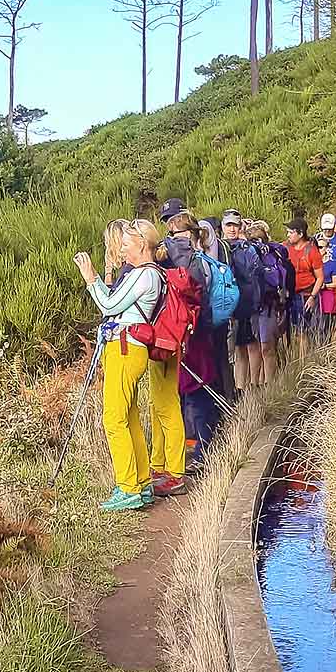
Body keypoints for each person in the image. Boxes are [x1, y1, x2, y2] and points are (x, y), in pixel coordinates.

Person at [74, 219, 166, 511]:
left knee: (114, 420)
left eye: (126, 244)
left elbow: (108, 307)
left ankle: (128, 488)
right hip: (129, 349)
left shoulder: (144, 275)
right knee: (130, 417)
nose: (122, 250)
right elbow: (114, 302)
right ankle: (142, 483)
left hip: (125, 350)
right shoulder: (148, 274)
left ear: (141, 244)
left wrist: (91, 278)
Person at [166, 213, 222, 474]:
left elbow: (194, 297)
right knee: (189, 395)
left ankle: (203, 451)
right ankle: (197, 447)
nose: (173, 241)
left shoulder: (195, 264)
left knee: (197, 395)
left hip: (196, 337)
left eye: (176, 236)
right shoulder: (192, 261)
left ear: (188, 235)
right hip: (191, 337)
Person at [221, 210, 260, 393]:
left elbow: (256, 276)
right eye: (228, 225)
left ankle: (254, 385)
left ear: (240, 227)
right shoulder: (219, 249)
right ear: (222, 227)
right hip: (230, 308)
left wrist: (255, 304)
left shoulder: (248, 249)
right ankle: (240, 388)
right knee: (236, 351)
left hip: (247, 305)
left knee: (250, 346)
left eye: (234, 225)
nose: (231, 229)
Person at [245, 219, 286, 385]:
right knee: (256, 347)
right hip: (253, 306)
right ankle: (256, 383)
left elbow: (276, 280)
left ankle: (269, 384)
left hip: (267, 305)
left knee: (266, 346)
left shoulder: (271, 256)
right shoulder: (246, 255)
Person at [284, 218, 324, 352]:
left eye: (291, 232)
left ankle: (304, 360)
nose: (288, 235)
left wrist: (313, 297)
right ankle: (296, 357)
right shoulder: (285, 247)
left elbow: (320, 277)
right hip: (290, 295)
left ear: (300, 234)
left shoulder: (311, 251)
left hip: (306, 295)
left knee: (304, 330)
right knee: (294, 330)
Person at [316, 231, 336, 339]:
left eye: (321, 247)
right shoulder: (314, 263)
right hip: (316, 296)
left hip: (328, 296)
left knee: (328, 323)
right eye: (317, 247)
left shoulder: (333, 264)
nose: (318, 249)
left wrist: (325, 286)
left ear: (327, 248)